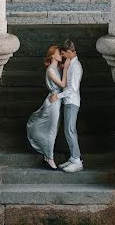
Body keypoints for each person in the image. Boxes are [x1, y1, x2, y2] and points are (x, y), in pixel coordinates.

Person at [26, 45, 71, 170]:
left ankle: (47, 156)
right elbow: (62, 84)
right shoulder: (51, 69)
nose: (61, 55)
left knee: (53, 130)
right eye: (58, 53)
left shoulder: (56, 68)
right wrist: (66, 68)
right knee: (51, 130)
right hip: (52, 102)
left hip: (56, 100)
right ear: (52, 56)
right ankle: (49, 158)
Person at [50, 39, 83, 173]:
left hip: (72, 101)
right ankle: (73, 158)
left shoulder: (76, 66)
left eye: (64, 54)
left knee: (70, 130)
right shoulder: (71, 64)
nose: (62, 56)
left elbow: (73, 88)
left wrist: (57, 96)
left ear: (69, 52)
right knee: (69, 130)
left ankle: (76, 160)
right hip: (69, 101)